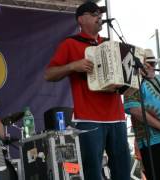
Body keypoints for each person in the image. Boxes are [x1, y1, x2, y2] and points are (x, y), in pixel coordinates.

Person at [44, 2, 130, 180]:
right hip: (89, 118)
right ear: (81, 19)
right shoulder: (70, 43)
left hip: (117, 116)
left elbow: (124, 80)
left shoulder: (110, 44)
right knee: (92, 173)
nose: (99, 16)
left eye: (100, 13)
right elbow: (49, 74)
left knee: (123, 173)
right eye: (94, 13)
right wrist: (73, 66)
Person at [124, 49, 160, 180]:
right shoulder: (133, 83)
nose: (153, 67)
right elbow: (134, 109)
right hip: (151, 141)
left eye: (154, 64)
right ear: (141, 64)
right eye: (149, 64)